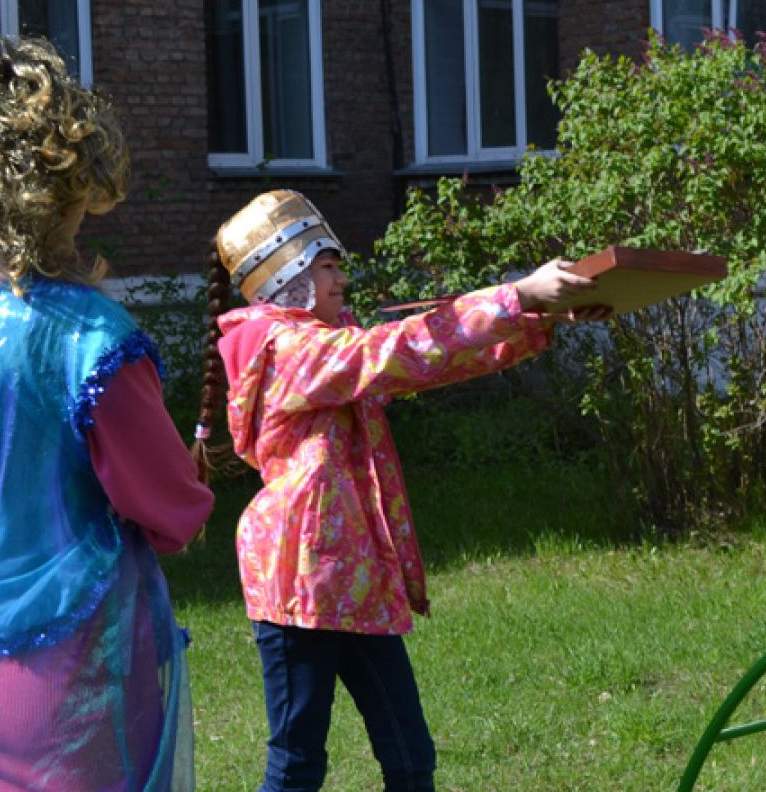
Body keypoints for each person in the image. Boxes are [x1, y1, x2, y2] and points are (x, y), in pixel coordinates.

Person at [196, 189, 610, 792]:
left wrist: (537, 317)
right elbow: (392, 349)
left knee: (411, 757)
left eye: (338, 264)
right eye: (327, 265)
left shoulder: (323, 342)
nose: (342, 277)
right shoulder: (288, 351)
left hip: (355, 577)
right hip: (296, 583)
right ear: (287, 276)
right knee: (297, 765)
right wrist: (515, 294)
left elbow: (428, 360)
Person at [0, 35, 213, 790]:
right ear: (72, 183)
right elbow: (169, 509)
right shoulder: (91, 338)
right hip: (67, 674)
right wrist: (186, 490)